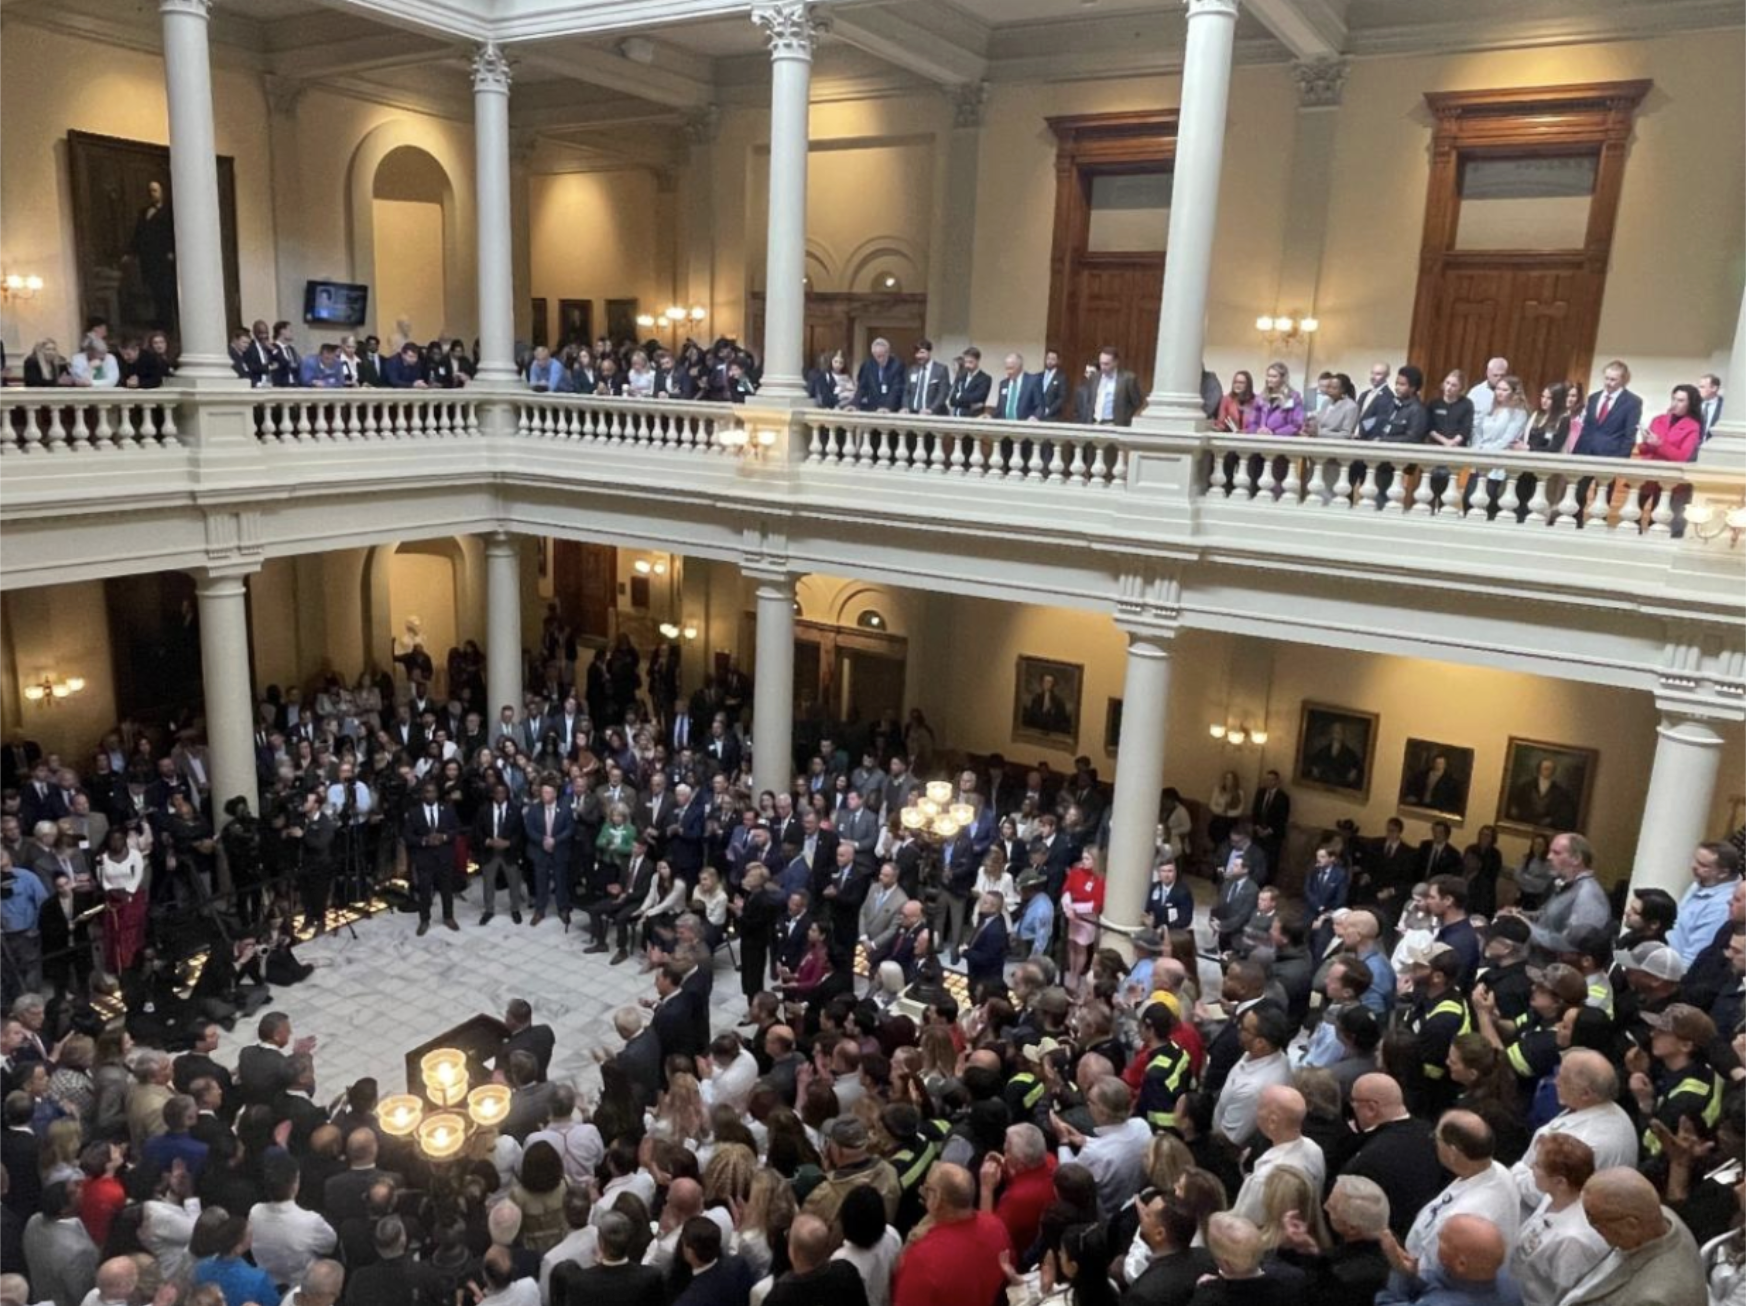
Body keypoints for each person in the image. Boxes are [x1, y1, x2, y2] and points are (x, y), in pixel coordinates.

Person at [1562, 1168, 1707, 1306]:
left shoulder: (1653, 1299)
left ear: (1631, 1225)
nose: (1589, 1224)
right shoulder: (1660, 1216)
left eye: (1594, 1219)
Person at [1508, 1133, 1607, 1306]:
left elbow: (1566, 1298)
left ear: (1560, 1182)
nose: (1531, 1167)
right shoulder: (1552, 1197)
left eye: (1538, 1165)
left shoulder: (1574, 1241)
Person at [892, 1163, 1010, 1306]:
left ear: (936, 1198)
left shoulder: (922, 1260)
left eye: (927, 1189)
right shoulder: (996, 1225)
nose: (922, 1191)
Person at [1573, 360, 1642, 458]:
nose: (1608, 383)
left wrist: (1620, 460)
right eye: (1606, 378)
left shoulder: (1632, 402)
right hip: (1584, 452)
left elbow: (1629, 435)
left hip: (1610, 455)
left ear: (1623, 380)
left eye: (1613, 379)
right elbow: (1586, 428)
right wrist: (1576, 453)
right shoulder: (1593, 398)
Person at [1076, 346, 1146, 426]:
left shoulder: (1127, 379)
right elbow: (1090, 400)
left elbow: (1137, 402)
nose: (1102, 367)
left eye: (1106, 364)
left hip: (1113, 424)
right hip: (1094, 423)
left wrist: (1125, 416)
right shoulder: (1094, 378)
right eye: (1101, 363)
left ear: (1115, 362)